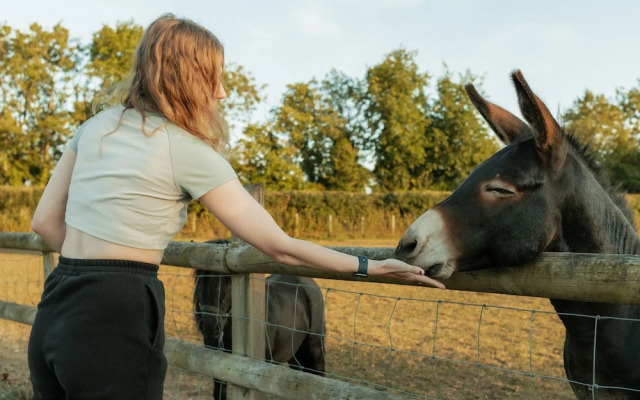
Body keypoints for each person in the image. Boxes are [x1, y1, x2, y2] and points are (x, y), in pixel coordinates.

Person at [27, 13, 445, 400]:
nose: (222, 92)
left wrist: (93, 261)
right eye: (214, 78)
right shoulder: (184, 149)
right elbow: (278, 247)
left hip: (56, 303)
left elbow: (45, 222)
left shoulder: (95, 126)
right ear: (187, 80)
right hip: (116, 310)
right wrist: (369, 266)